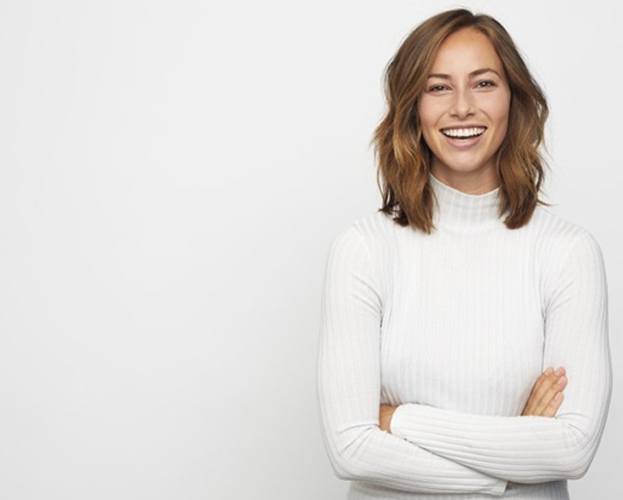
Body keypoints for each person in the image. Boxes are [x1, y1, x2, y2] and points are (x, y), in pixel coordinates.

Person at [316, 8, 612, 500]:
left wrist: (398, 419)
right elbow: (351, 448)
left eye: (483, 84)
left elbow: (570, 449)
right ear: (413, 106)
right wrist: (512, 467)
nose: (461, 108)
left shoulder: (566, 252)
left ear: (513, 100)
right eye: (438, 87)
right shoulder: (364, 249)